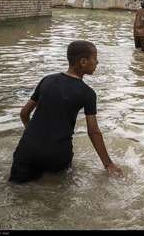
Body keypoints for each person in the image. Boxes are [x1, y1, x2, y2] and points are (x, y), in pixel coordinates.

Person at [9, 41, 122, 183]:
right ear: (83, 61)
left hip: (26, 150)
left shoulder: (47, 80)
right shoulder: (87, 93)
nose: (97, 62)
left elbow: (24, 113)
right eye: (95, 58)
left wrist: (34, 137)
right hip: (57, 155)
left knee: (16, 191)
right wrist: (108, 164)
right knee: (57, 199)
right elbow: (93, 132)